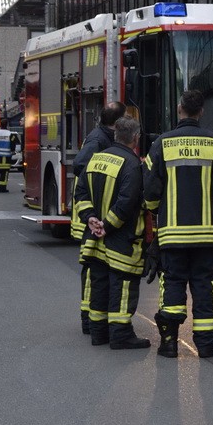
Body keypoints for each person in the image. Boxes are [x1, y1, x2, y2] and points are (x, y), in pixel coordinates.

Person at [144, 90, 213, 359]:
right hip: (206, 234)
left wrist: (156, 212)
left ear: (180, 108)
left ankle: (169, 343)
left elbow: (150, 192)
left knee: (172, 283)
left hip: (172, 234)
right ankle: (206, 346)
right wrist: (209, 205)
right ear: (201, 111)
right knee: (204, 286)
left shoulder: (161, 144)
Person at [73, 116, 151, 350]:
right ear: (136, 138)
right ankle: (120, 334)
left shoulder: (96, 158)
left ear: (116, 135)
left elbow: (81, 193)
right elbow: (126, 203)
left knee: (99, 284)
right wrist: (107, 225)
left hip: (95, 240)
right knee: (123, 286)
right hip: (120, 240)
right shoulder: (132, 164)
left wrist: (91, 220)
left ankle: (98, 333)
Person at [72, 101, 127, 335]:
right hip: (90, 215)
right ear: (116, 123)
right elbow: (80, 166)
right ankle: (88, 318)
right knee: (91, 269)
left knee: (95, 268)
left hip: (94, 214)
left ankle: (91, 317)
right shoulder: (98, 141)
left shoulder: (103, 137)